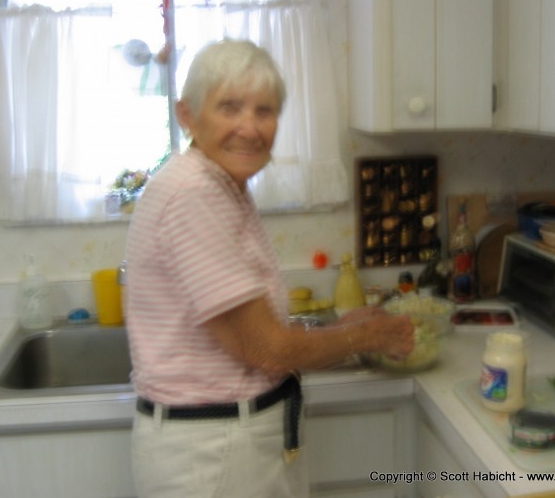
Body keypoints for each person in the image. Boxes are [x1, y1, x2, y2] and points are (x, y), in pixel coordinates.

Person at [125, 38, 415, 498]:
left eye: (265, 111)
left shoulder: (220, 185)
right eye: (230, 107)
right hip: (214, 454)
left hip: (221, 446)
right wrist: (364, 336)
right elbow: (265, 348)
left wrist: (343, 324)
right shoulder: (194, 195)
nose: (250, 127)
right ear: (187, 116)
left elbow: (249, 330)